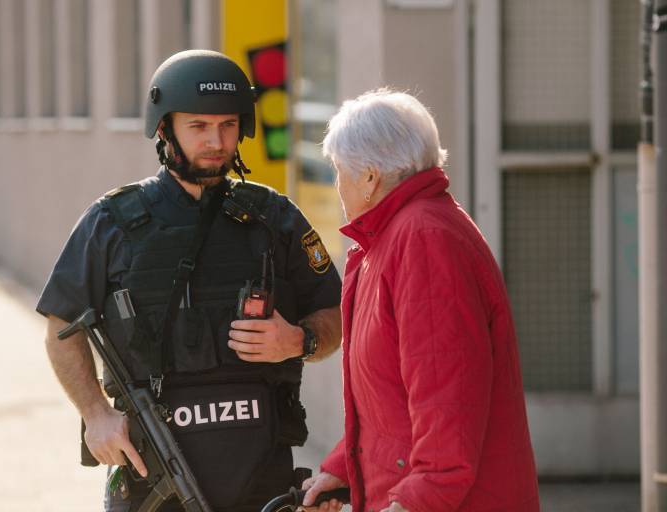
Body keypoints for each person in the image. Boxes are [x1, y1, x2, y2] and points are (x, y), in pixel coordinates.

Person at [38, 49, 342, 512]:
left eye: (226, 125)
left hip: (263, 473)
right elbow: (61, 326)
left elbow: (336, 313)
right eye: (198, 126)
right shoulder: (112, 221)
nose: (216, 140)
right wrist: (95, 413)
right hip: (153, 470)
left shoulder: (275, 218)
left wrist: (299, 341)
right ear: (165, 129)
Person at [302, 89, 540, 512]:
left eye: (339, 171)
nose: (337, 185)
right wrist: (344, 466)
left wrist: (416, 501)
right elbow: (388, 401)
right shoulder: (393, 238)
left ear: (370, 178)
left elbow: (446, 394)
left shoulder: (424, 240)